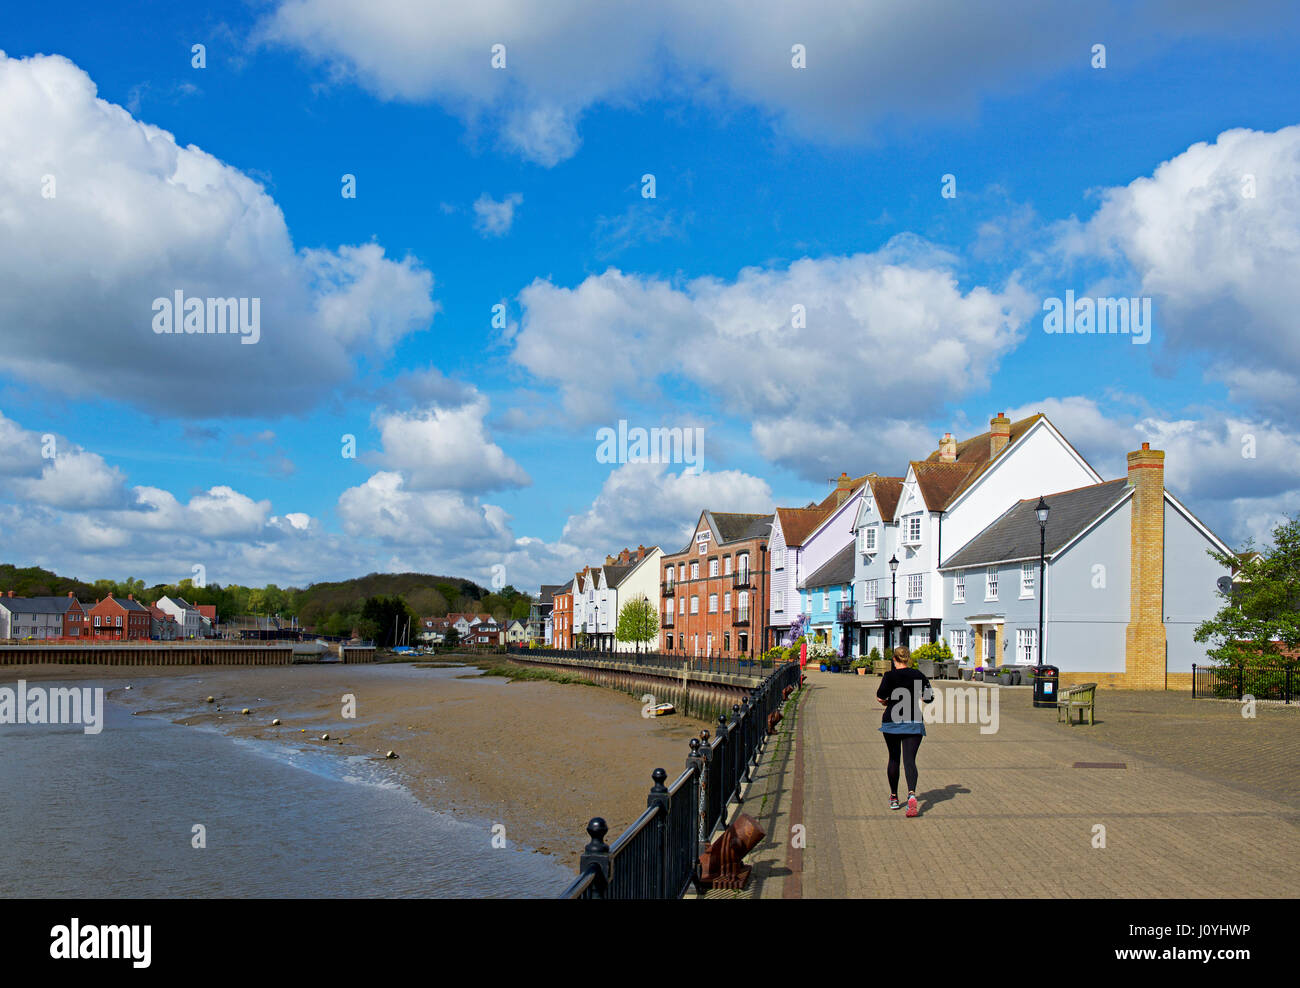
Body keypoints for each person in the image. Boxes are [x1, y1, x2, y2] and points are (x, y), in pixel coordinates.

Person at [876, 645, 933, 817]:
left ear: (894, 660)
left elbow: (880, 697)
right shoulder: (918, 675)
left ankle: (894, 798)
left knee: (894, 758)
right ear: (908, 659)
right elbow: (929, 697)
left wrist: (886, 703)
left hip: (892, 722)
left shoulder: (889, 676)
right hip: (913, 721)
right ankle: (911, 794)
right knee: (910, 760)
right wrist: (920, 696)